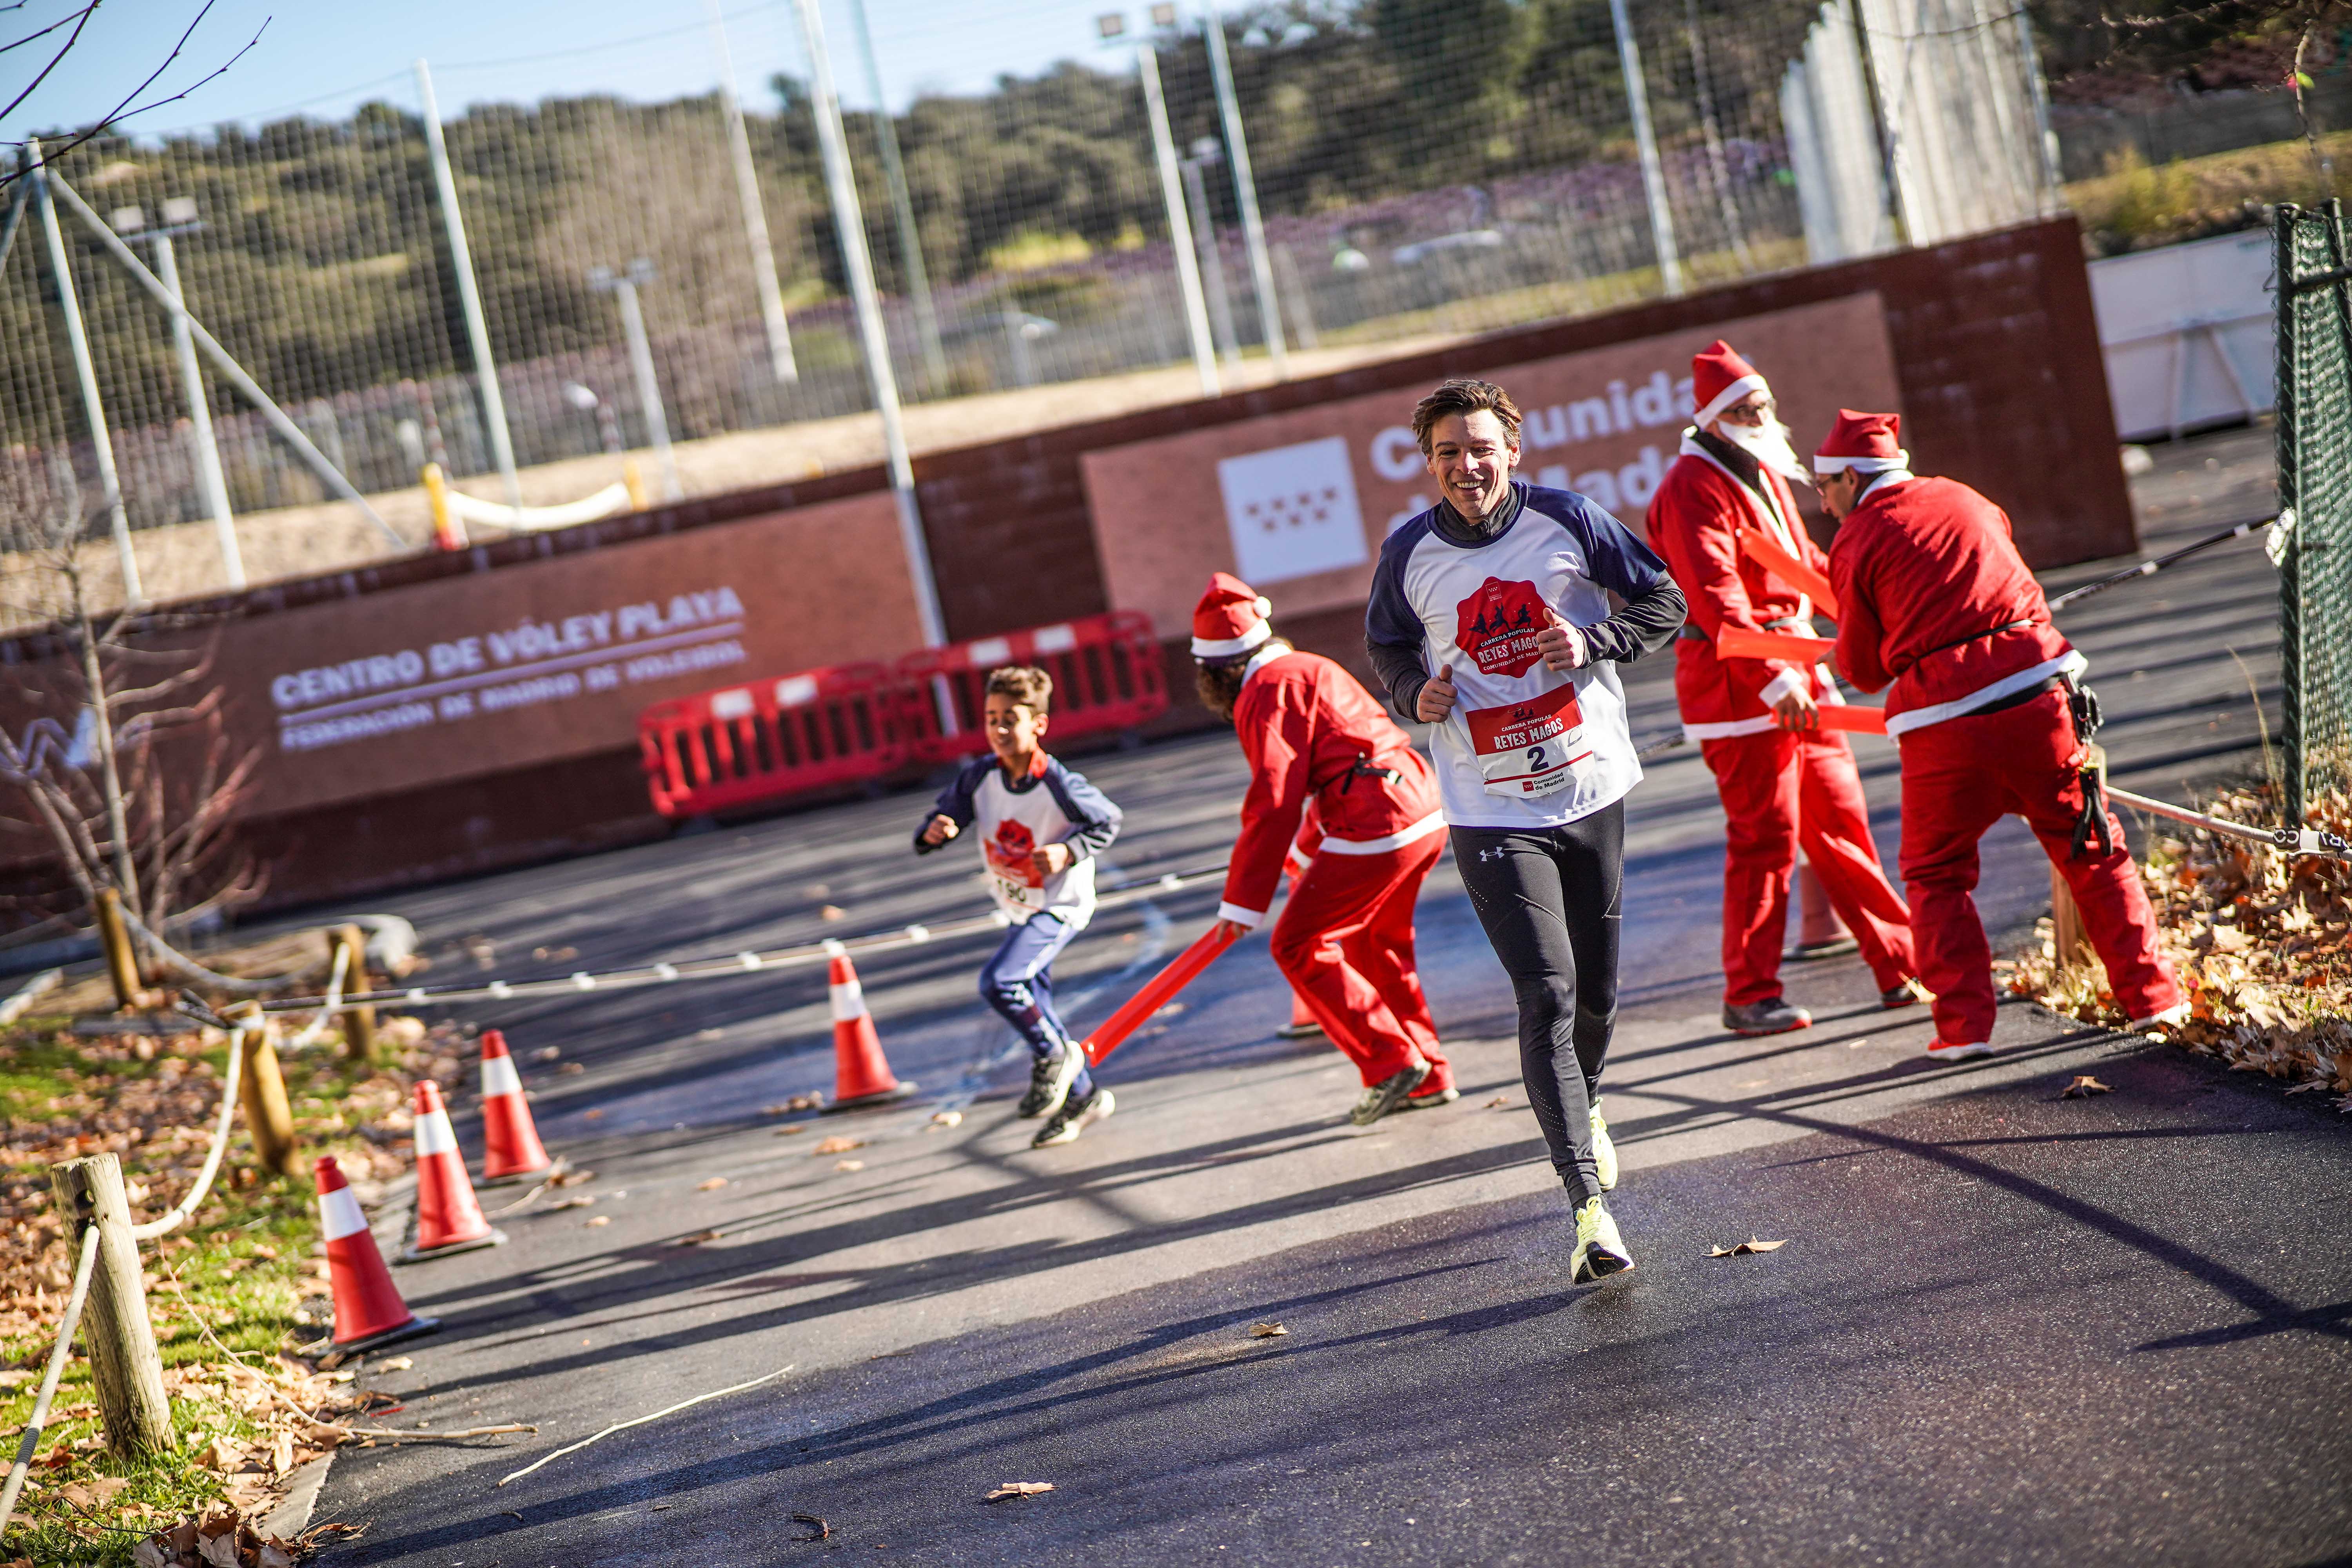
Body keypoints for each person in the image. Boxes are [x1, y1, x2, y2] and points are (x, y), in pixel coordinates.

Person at [1365, 377, 1686, 1285]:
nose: (1465, 468)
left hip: (1588, 786)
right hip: (1486, 801)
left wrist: (1596, 643)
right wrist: (1409, 694)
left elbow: (1666, 606)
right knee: (1544, 992)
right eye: (1446, 454)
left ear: (1513, 447)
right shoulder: (1408, 554)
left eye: (1479, 448)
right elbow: (1388, 646)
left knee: (1597, 996)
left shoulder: (1571, 519)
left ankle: (1584, 1104)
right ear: (1428, 464)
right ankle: (1588, 1207)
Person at [1816, 410, 2186, 1060]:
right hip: (2040, 698)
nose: (1823, 504)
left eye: (1824, 489)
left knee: (1936, 876)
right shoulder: (1965, 496)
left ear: (1851, 476)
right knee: (2093, 849)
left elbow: (1864, 669)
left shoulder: (1857, 537)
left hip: (1944, 727)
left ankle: (1963, 1032)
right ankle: (2156, 1001)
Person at [1646, 340, 1920, 1036]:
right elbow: (1716, 600)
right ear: (1709, 419)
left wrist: (1887, 617)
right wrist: (1772, 679)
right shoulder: (1690, 487)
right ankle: (1750, 992)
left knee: (1842, 821)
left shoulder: (1762, 467)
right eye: (1741, 408)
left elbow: (1806, 567)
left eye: (1761, 403)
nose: (1757, 414)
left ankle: (1904, 965)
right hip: (1738, 688)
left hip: (1799, 669)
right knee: (1766, 837)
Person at [1194, 573, 1457, 1125]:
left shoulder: (1264, 691)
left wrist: (1242, 903)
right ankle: (1429, 1075)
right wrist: (1306, 859)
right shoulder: (1308, 665)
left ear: (1218, 670)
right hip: (1421, 802)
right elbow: (1330, 765)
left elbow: (1274, 799)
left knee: (1297, 944)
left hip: (1376, 817)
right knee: (1376, 947)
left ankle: (1390, 1062)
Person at [916, 665, 1125, 1147]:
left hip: (1060, 904)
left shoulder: (1058, 783)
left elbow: (1108, 820)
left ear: (1039, 725)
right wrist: (935, 831)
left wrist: (1067, 852)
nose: (1000, 730)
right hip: (1021, 906)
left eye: (1011, 718)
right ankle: (1084, 1096)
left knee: (1002, 982)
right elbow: (946, 813)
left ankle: (1055, 1058)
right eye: (991, 719)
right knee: (1036, 1002)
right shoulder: (980, 776)